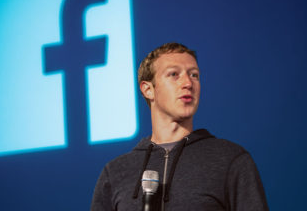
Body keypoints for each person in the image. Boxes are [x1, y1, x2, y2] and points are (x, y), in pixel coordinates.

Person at [91, 43, 269, 211]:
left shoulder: (230, 160)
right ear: (148, 89)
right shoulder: (115, 172)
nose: (188, 83)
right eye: (174, 74)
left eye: (194, 75)